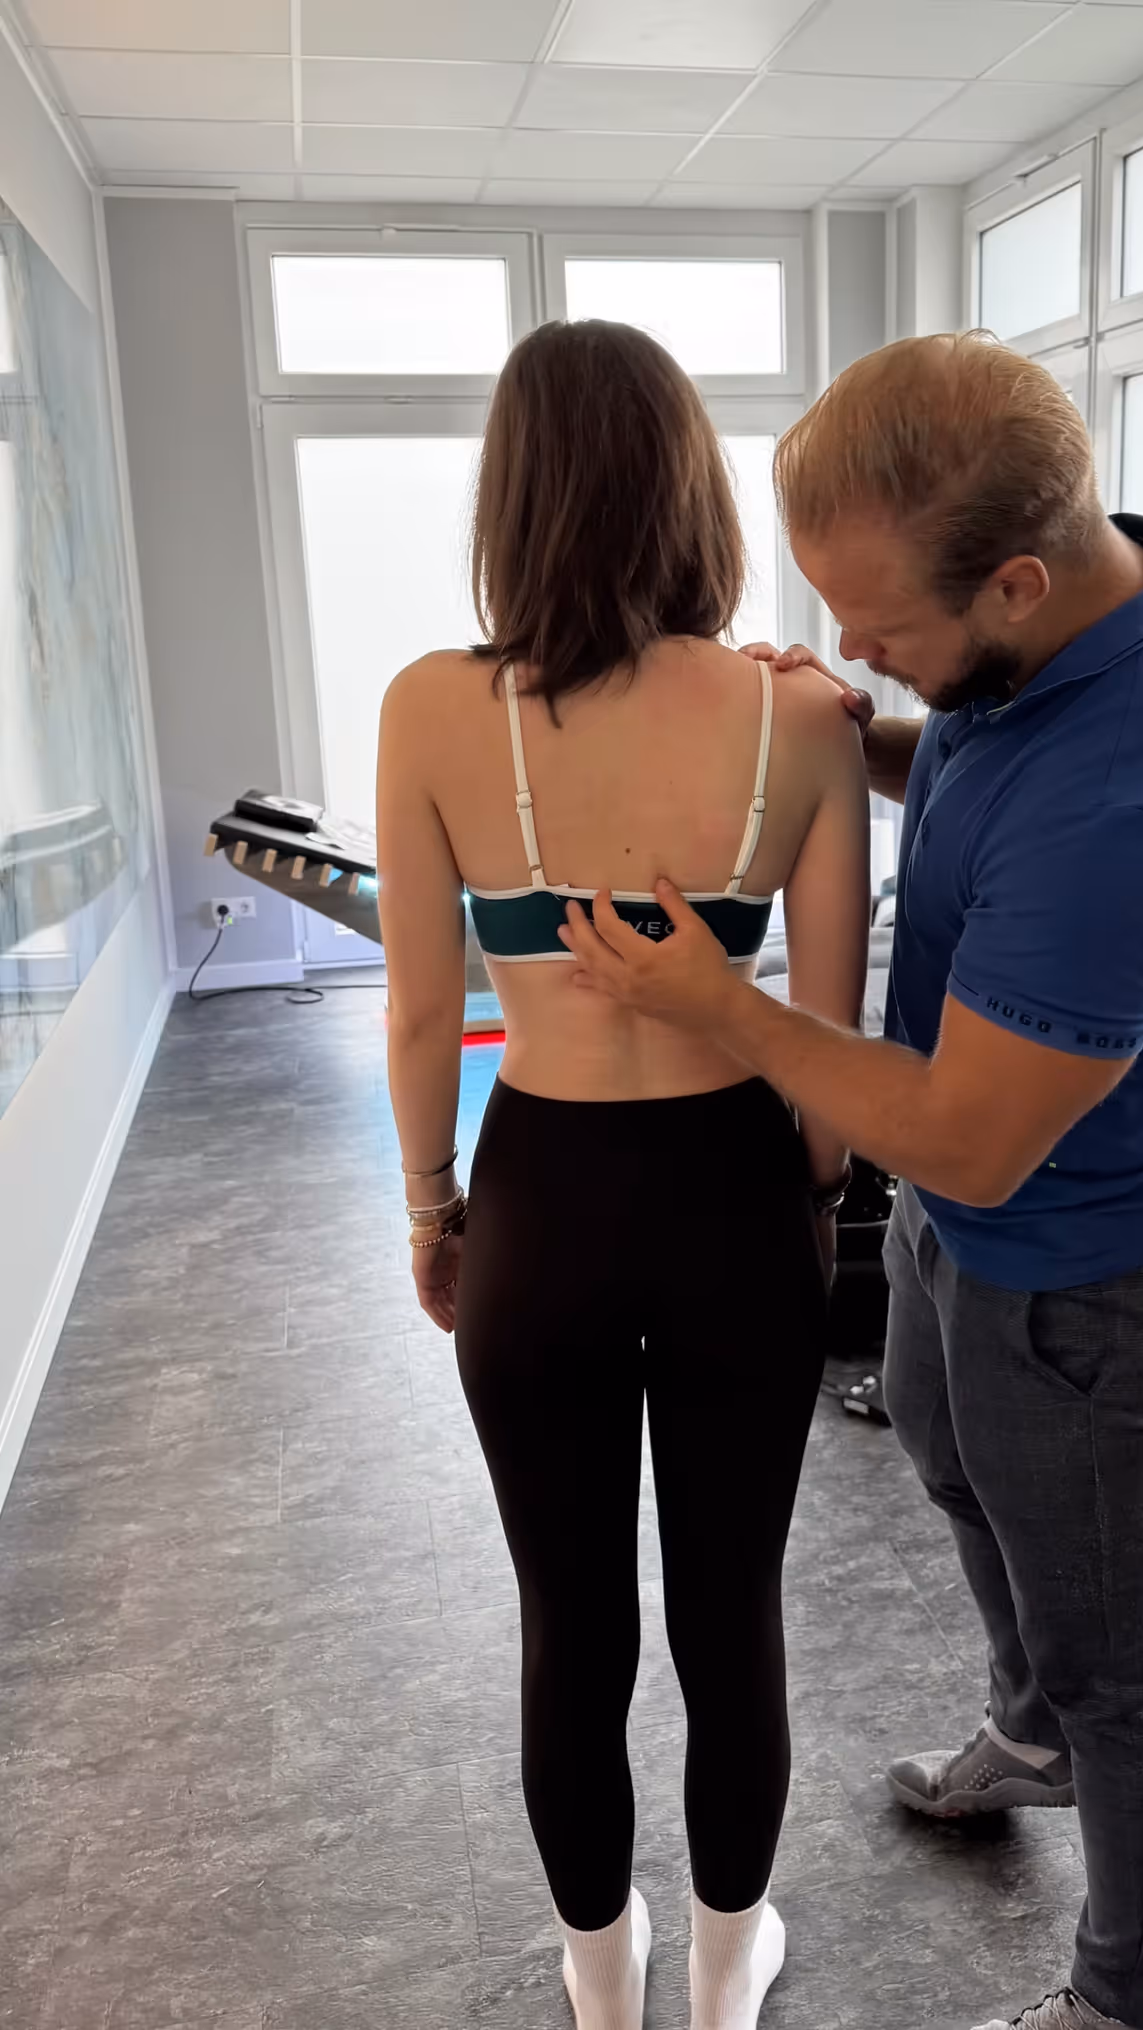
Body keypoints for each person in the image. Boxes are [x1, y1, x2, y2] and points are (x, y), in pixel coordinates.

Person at [560, 332, 1143, 2030]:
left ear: (1017, 580)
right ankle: (1029, 1734)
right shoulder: (1082, 611)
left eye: (878, 624)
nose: (850, 645)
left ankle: (1126, 1995)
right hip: (978, 1235)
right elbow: (978, 754)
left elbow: (963, 1132)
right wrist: (863, 733)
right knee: (958, 1470)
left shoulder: (1138, 786)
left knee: (1121, 1663)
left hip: (1093, 1270)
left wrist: (724, 1008)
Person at [375, 319, 871, 2030]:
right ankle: (727, 1977)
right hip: (737, 1200)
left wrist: (435, 1209)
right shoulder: (801, 715)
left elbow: (421, 1008)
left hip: (543, 1203)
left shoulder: (433, 709)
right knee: (732, 1613)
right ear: (691, 487)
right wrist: (811, 1194)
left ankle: (604, 1985)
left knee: (567, 1622)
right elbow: (826, 1021)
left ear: (511, 494)